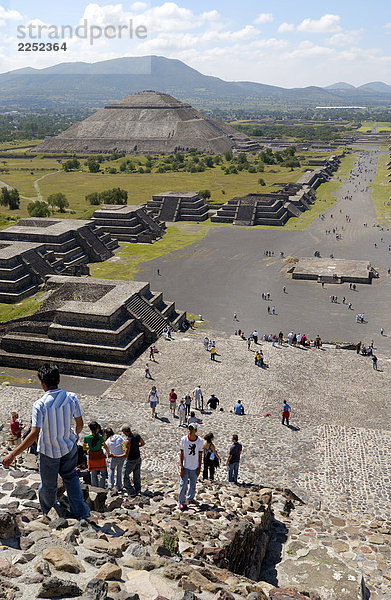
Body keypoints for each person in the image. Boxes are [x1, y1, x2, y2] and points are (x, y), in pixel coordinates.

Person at [2, 364, 90, 521]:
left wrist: (13, 454)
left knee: (49, 485)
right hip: (68, 447)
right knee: (71, 478)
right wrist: (75, 435)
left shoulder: (40, 404)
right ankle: (81, 512)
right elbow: (80, 423)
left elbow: (34, 433)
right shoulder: (71, 397)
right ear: (59, 379)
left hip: (48, 451)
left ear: (42, 383)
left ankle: (49, 513)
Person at [178, 423, 204, 509]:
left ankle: (190, 498)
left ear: (195, 431)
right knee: (183, 484)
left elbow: (200, 455)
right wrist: (181, 467)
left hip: (194, 466)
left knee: (193, 484)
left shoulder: (200, 441)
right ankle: (181, 501)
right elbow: (181, 454)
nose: (190, 431)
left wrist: (199, 467)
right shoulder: (184, 440)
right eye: (189, 429)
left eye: (192, 429)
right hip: (186, 466)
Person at [119, 424, 145, 496]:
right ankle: (138, 490)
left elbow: (125, 454)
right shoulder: (137, 435)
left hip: (130, 460)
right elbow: (142, 443)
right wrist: (136, 446)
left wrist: (115, 455)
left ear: (125, 432)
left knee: (125, 475)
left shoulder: (127, 441)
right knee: (136, 475)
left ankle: (131, 491)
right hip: (138, 458)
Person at [83, 421, 109, 489]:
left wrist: (90, 448)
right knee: (103, 473)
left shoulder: (86, 437)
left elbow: (84, 447)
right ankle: (101, 487)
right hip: (100, 456)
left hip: (92, 456)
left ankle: (95, 488)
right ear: (97, 428)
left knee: (93, 473)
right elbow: (105, 446)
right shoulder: (100, 436)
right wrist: (109, 453)